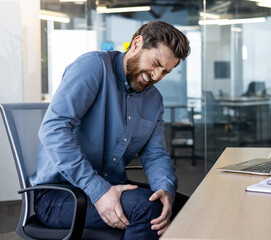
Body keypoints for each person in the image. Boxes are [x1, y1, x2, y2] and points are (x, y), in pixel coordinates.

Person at [30, 21, 190, 240]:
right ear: (137, 44)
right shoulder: (93, 67)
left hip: (113, 185)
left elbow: (155, 154)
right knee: (147, 210)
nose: (156, 76)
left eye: (165, 72)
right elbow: (53, 130)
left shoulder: (154, 100)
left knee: (187, 209)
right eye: (155, 63)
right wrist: (100, 191)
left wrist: (165, 189)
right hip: (60, 193)